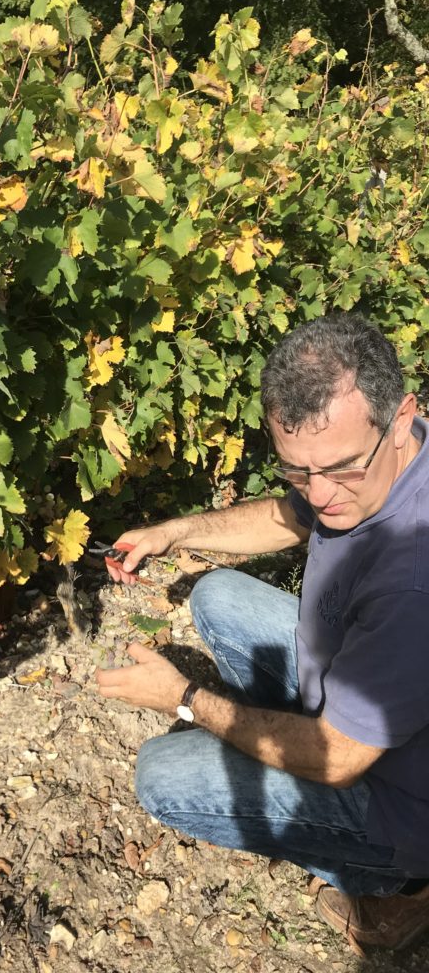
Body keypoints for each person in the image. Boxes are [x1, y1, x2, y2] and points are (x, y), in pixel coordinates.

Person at [95, 312, 429, 952]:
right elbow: (292, 516)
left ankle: (398, 886)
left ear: (402, 411)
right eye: (297, 470)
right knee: (218, 594)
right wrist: (175, 532)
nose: (321, 495)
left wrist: (184, 700)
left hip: (402, 797)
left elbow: (338, 760)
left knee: (161, 777)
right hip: (371, 693)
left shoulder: (413, 583)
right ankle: (287, 740)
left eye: (339, 470)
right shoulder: (387, 453)